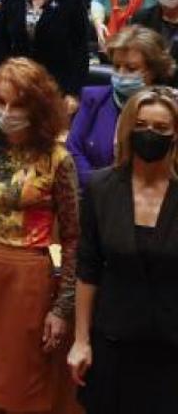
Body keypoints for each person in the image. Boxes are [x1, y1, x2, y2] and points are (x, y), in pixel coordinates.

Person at [0, 57, 79, 413]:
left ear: (37, 107)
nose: (6, 112)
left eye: (18, 104)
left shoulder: (58, 159)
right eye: (0, 102)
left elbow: (72, 238)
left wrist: (62, 307)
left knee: (23, 386)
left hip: (27, 279)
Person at [68, 87, 178, 413]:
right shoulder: (101, 187)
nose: (150, 134)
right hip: (111, 343)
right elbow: (88, 269)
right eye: (141, 125)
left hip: (170, 350)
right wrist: (81, 340)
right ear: (128, 129)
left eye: (161, 128)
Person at [67, 26, 174, 186]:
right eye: (116, 66)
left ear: (153, 71)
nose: (121, 74)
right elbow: (74, 148)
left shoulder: (169, 108)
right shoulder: (93, 98)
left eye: (131, 68)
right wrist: (98, 187)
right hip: (92, 193)